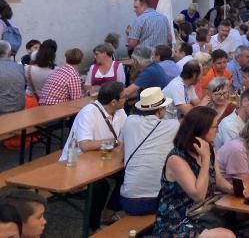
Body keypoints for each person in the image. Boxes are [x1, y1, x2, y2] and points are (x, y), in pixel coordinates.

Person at [153, 107, 235, 238]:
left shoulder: (208, 148)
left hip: (202, 213)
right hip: (178, 219)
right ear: (201, 129)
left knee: (243, 218)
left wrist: (235, 189)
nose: (218, 131)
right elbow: (198, 195)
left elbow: (218, 180)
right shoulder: (176, 159)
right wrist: (206, 160)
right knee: (227, 235)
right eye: (215, 127)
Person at [60, 82, 127, 229]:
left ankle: (109, 212)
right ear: (113, 102)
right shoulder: (89, 113)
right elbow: (85, 145)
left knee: (129, 175)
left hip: (103, 158)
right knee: (100, 187)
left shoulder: (120, 112)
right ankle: (92, 227)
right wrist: (114, 142)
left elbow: (126, 135)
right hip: (75, 161)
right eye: (124, 97)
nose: (126, 99)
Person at [120, 87, 180, 215]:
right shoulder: (174, 125)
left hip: (130, 200)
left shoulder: (129, 121)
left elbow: (122, 154)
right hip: (162, 201)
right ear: (160, 109)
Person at [22, 40, 56, 109]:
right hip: (48, 101)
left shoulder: (27, 68)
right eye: (35, 47)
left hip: (31, 99)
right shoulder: (56, 70)